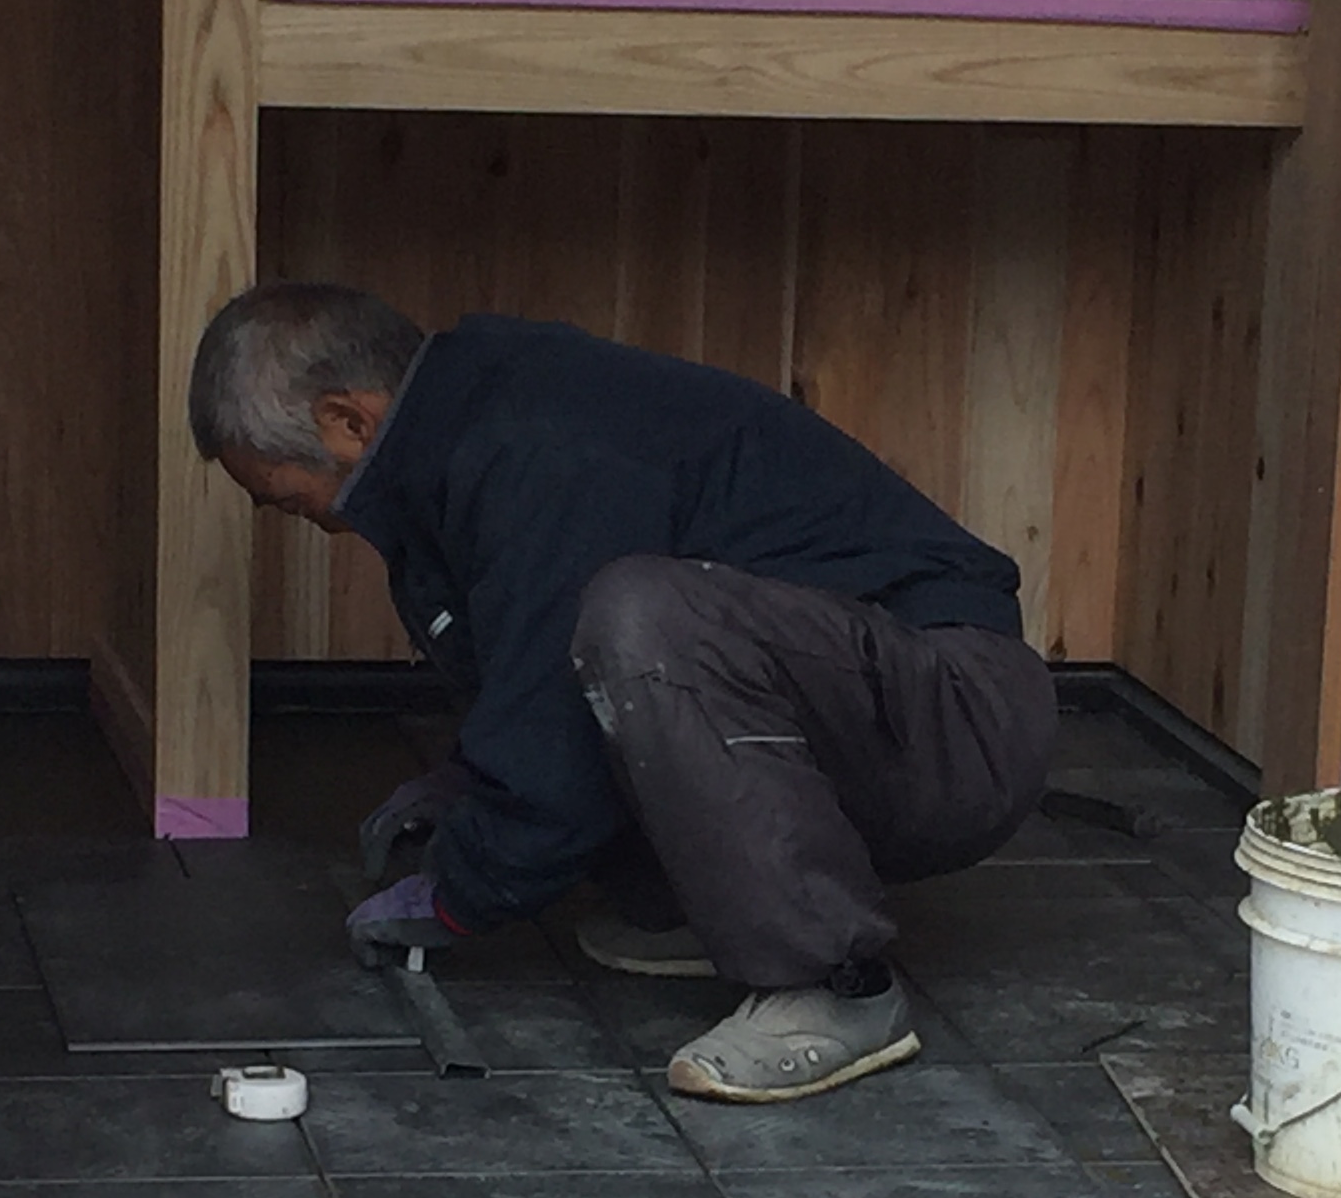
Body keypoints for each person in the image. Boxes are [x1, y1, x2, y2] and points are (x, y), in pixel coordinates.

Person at [187, 282, 1056, 1104]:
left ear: (346, 419)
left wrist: (462, 890)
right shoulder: (468, 443)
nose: (311, 519)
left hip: (959, 722)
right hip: (878, 701)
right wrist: (467, 788)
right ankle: (714, 910)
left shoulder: (538, 446)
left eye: (289, 499)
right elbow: (532, 673)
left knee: (639, 617)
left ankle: (835, 985)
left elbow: (556, 732)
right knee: (625, 628)